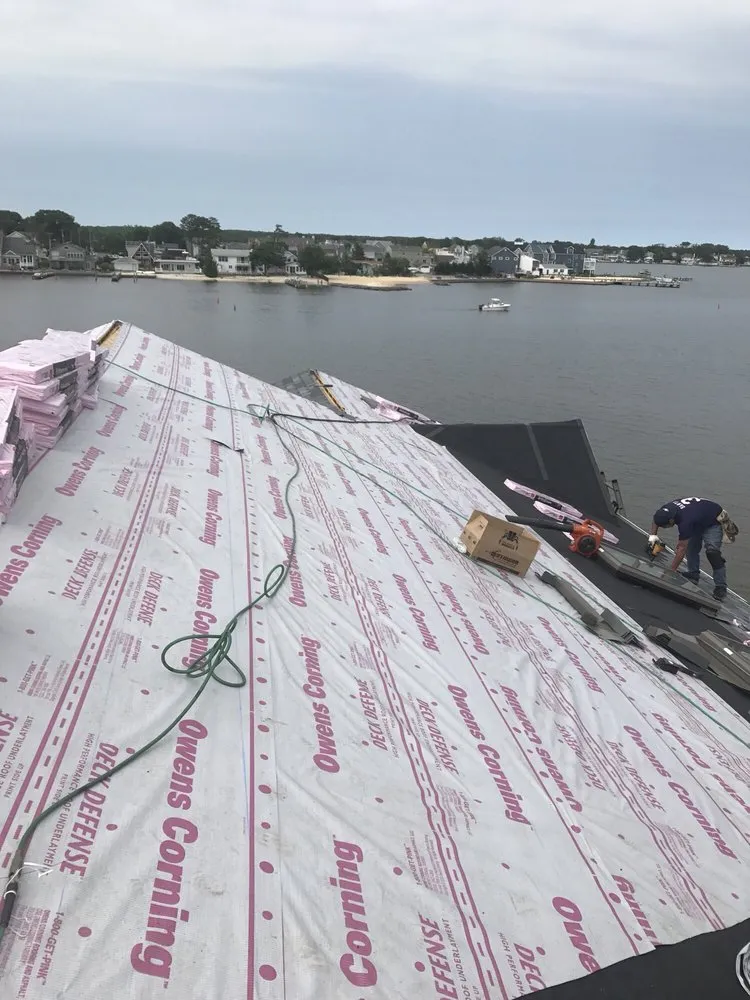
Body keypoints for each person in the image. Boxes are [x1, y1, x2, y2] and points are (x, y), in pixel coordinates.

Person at [649, 497, 736, 601]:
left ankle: (721, 587)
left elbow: (681, 549)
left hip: (713, 522)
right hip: (698, 518)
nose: (666, 527)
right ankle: (693, 574)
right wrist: (653, 537)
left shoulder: (685, 521)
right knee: (692, 548)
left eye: (666, 526)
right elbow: (656, 520)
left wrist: (671, 571)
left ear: (671, 520)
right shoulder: (664, 510)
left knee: (713, 553)